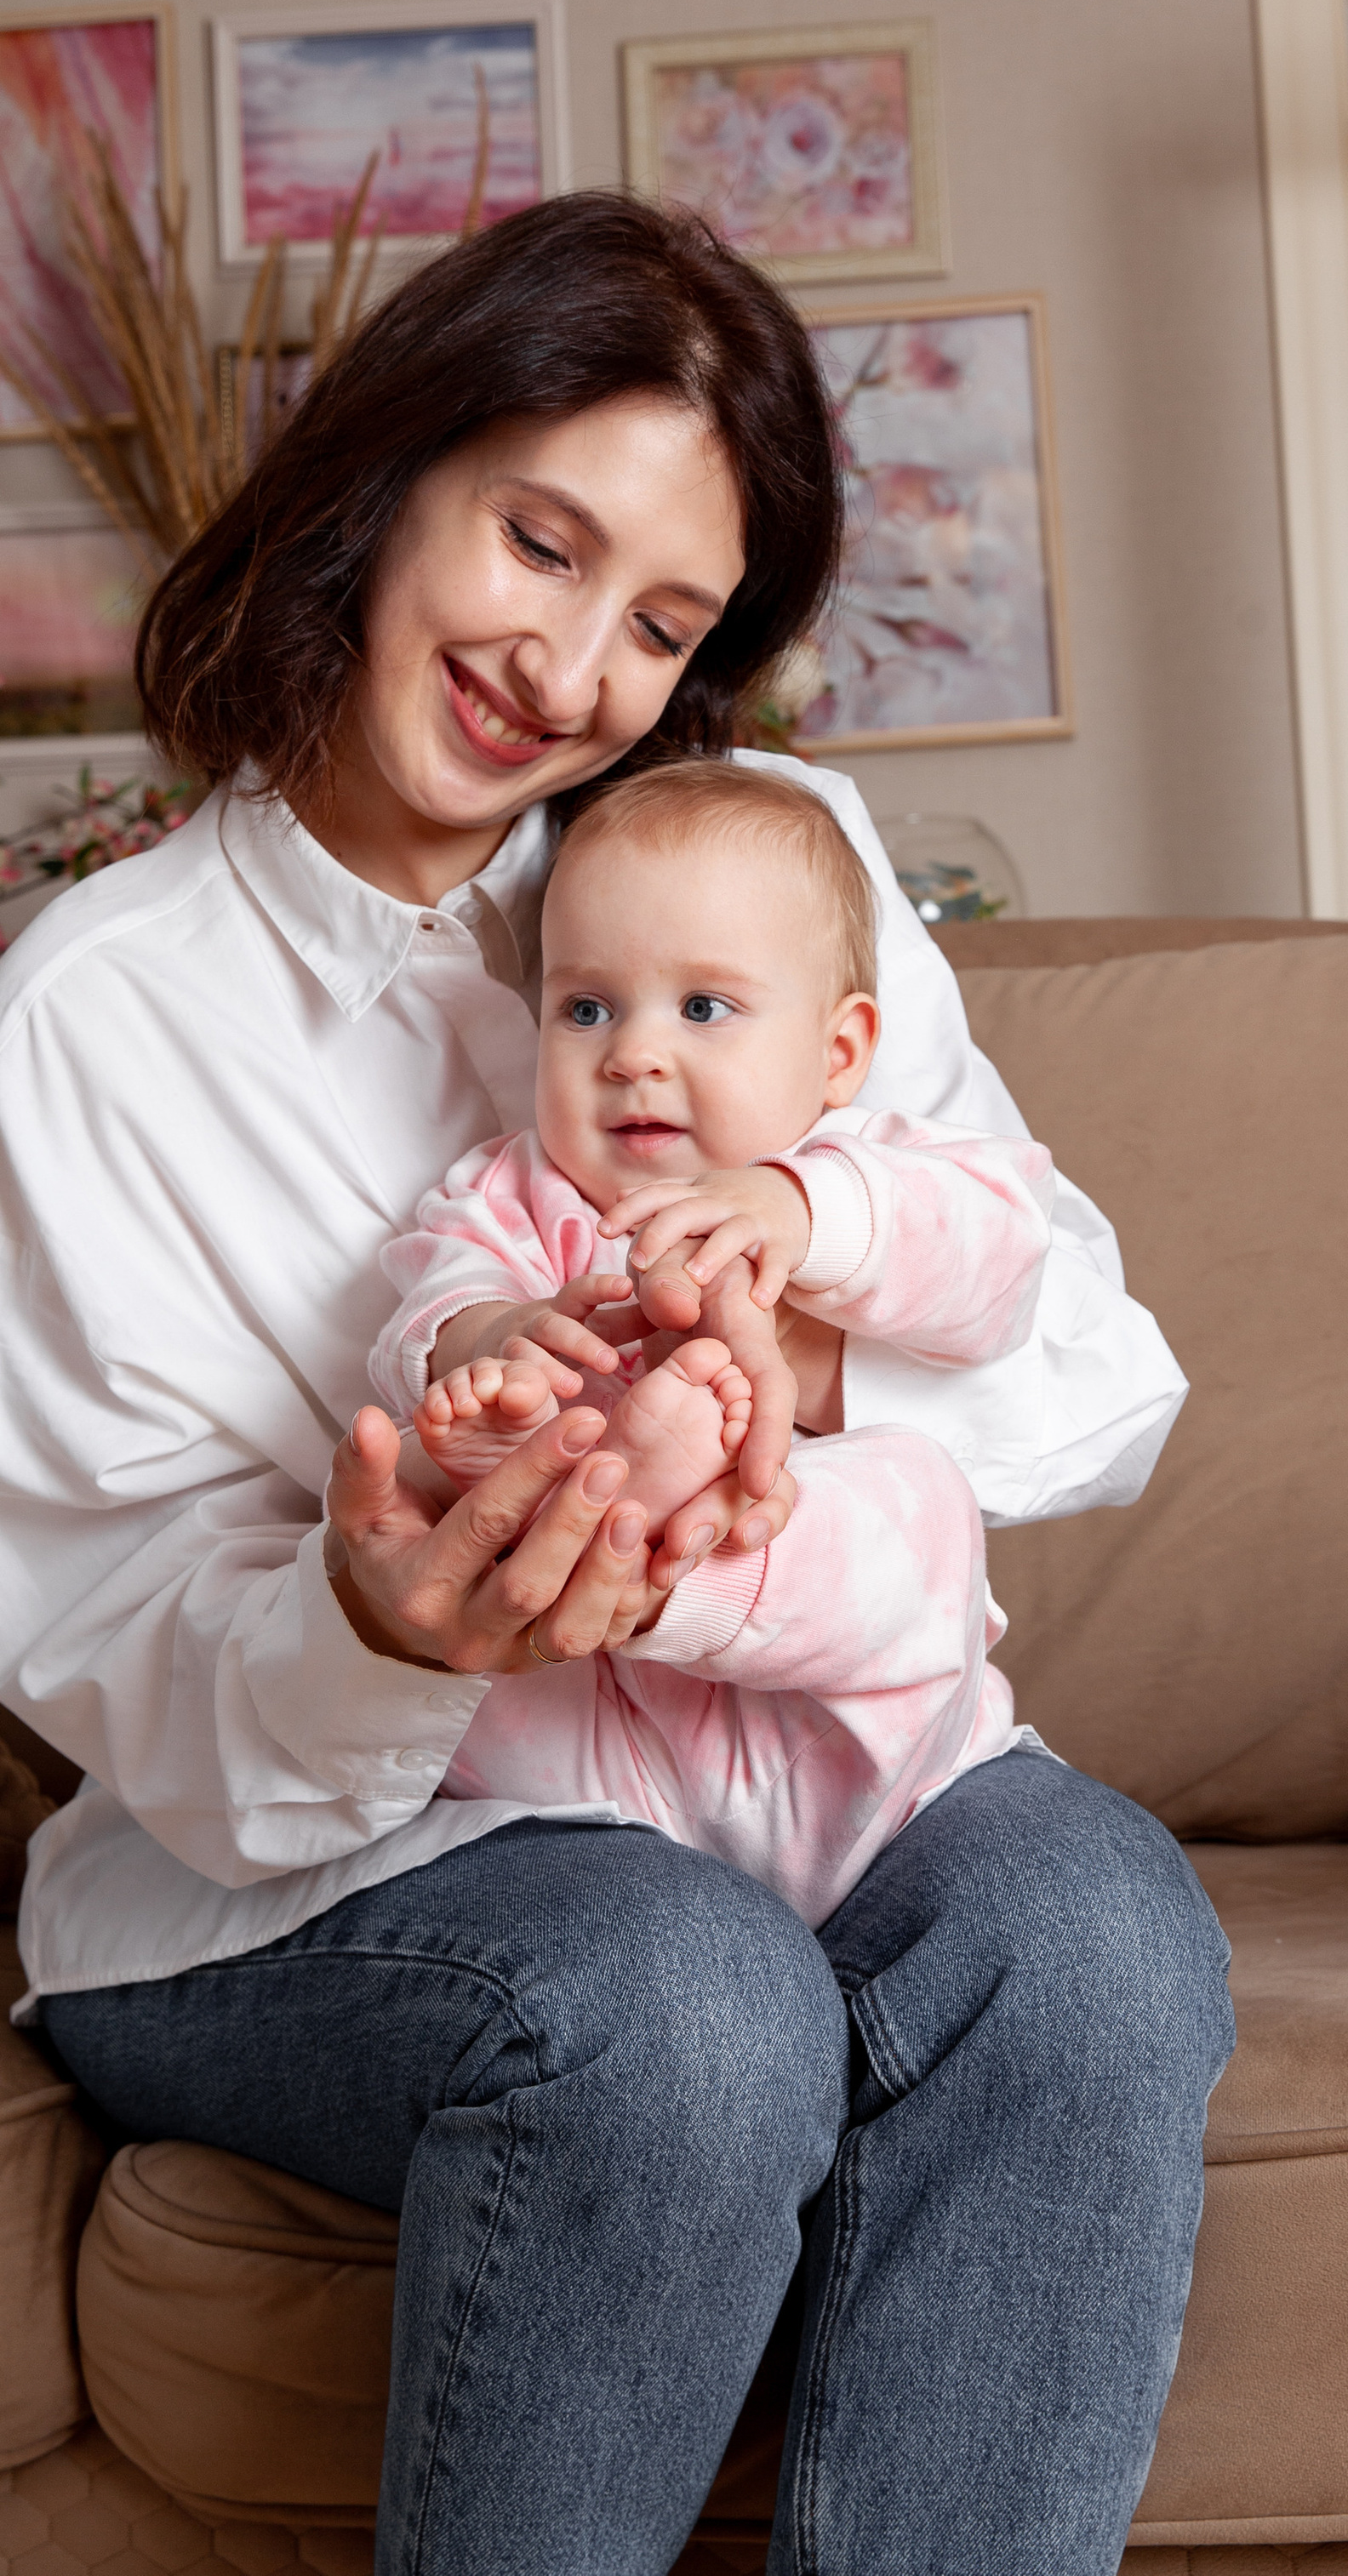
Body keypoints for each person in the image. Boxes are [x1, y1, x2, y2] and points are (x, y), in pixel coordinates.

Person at [0, 191, 1234, 2576]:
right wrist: (388, 1624)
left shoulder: (769, 867)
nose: (571, 664)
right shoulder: (102, 1016)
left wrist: (788, 1362)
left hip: (796, 1775)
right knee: (684, 2000)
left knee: (1103, 1925)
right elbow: (108, 1645)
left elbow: (1088, 1368)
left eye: (663, 621)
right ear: (386, 468)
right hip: (293, 1875)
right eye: (540, 540)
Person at [368, 755, 1056, 1930]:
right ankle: (600, 1479)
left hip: (850, 1748)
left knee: (917, 1492)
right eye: (586, 1008)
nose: (633, 1053)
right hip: (595, 1753)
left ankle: (680, 1551)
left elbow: (1002, 1259)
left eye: (703, 1009)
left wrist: (803, 1214)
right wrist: (500, 1342)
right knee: (455, 1490)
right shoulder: (515, 1193)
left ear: (839, 1053)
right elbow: (433, 1293)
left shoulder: (866, 1164)